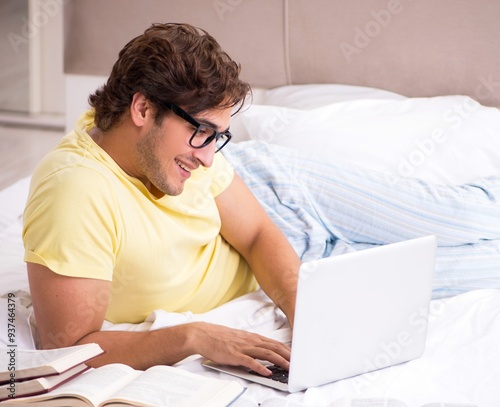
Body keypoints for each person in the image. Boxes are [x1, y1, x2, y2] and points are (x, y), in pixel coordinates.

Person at [23, 23, 300, 376]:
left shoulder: (183, 154)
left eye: (218, 137)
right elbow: (71, 348)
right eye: (200, 131)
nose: (209, 158)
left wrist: (300, 306)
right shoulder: (74, 192)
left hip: (285, 203)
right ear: (142, 109)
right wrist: (191, 337)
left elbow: (257, 232)